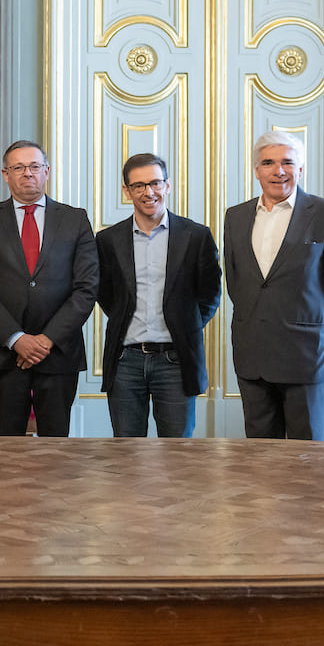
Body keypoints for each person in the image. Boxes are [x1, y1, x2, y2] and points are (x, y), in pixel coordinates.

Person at [223, 130, 324, 440]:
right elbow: (238, 285)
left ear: (300, 169)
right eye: (268, 163)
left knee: (307, 458)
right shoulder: (235, 217)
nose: (278, 171)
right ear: (256, 170)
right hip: (253, 358)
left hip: (309, 359)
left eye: (287, 162)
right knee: (259, 457)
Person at [0, 140, 98, 437]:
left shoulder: (75, 220)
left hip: (59, 351)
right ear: (5, 174)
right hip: (4, 353)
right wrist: (17, 339)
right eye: (18, 167)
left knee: (55, 443)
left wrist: (46, 340)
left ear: (46, 171)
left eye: (35, 166)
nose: (28, 173)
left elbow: (86, 288)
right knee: (9, 446)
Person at [96, 153, 221, 437]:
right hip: (125, 361)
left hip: (176, 361)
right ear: (126, 191)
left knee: (177, 452)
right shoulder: (107, 240)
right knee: (127, 450)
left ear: (168, 185)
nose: (148, 192)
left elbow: (210, 293)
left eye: (155, 183)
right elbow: (106, 294)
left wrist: (184, 324)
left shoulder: (196, 236)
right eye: (138, 185)